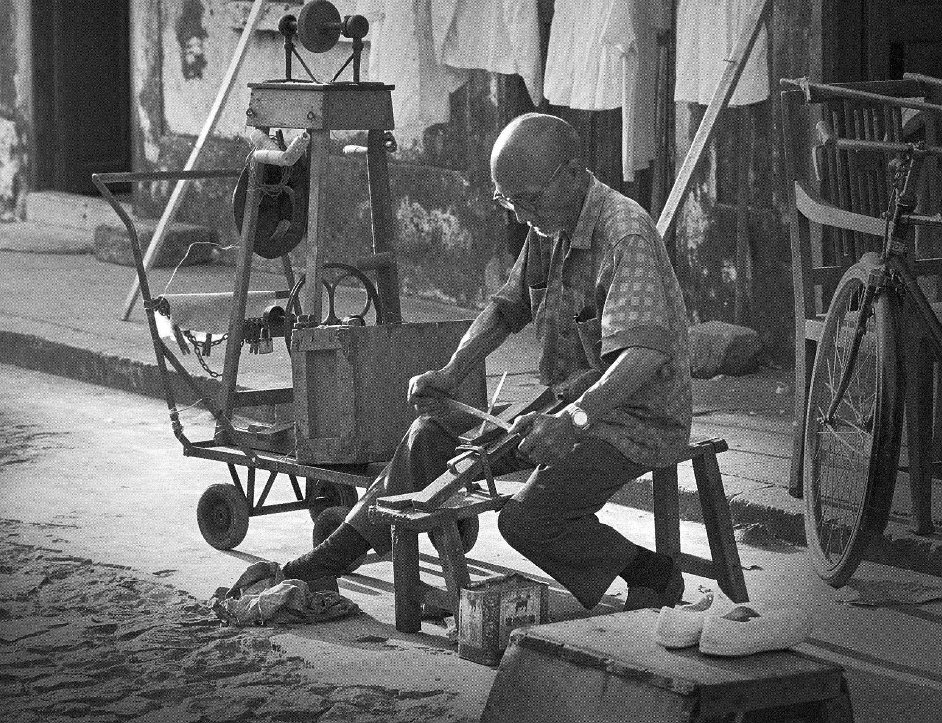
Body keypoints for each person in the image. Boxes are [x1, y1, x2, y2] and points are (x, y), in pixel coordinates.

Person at [281, 112, 693, 612]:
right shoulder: (549, 222)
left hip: (636, 418)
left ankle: (652, 573)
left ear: (571, 174)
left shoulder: (624, 234)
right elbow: (505, 309)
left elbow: (644, 353)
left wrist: (574, 419)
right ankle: (333, 556)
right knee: (430, 436)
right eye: (509, 202)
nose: (521, 216)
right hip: (567, 402)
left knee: (527, 520)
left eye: (529, 200)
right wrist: (451, 372)